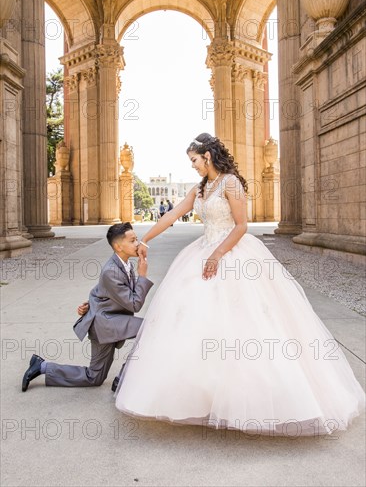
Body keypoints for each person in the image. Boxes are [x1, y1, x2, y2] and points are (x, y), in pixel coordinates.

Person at [114, 133, 365, 436]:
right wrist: (145, 240)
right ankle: (203, 397)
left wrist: (217, 255)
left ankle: (251, 400)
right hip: (203, 250)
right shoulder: (201, 188)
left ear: (207, 156)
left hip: (231, 253)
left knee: (248, 322)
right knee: (195, 322)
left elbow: (242, 226)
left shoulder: (231, 183)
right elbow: (172, 215)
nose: (192, 166)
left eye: (194, 160)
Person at [21, 223, 153, 392]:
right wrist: (143, 277)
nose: (137, 244)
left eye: (137, 239)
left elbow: (100, 290)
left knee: (95, 377)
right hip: (105, 324)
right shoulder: (111, 270)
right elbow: (135, 304)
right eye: (133, 240)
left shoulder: (125, 265)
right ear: (118, 246)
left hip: (110, 320)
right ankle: (123, 376)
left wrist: (90, 304)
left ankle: (43, 367)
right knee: (148, 329)